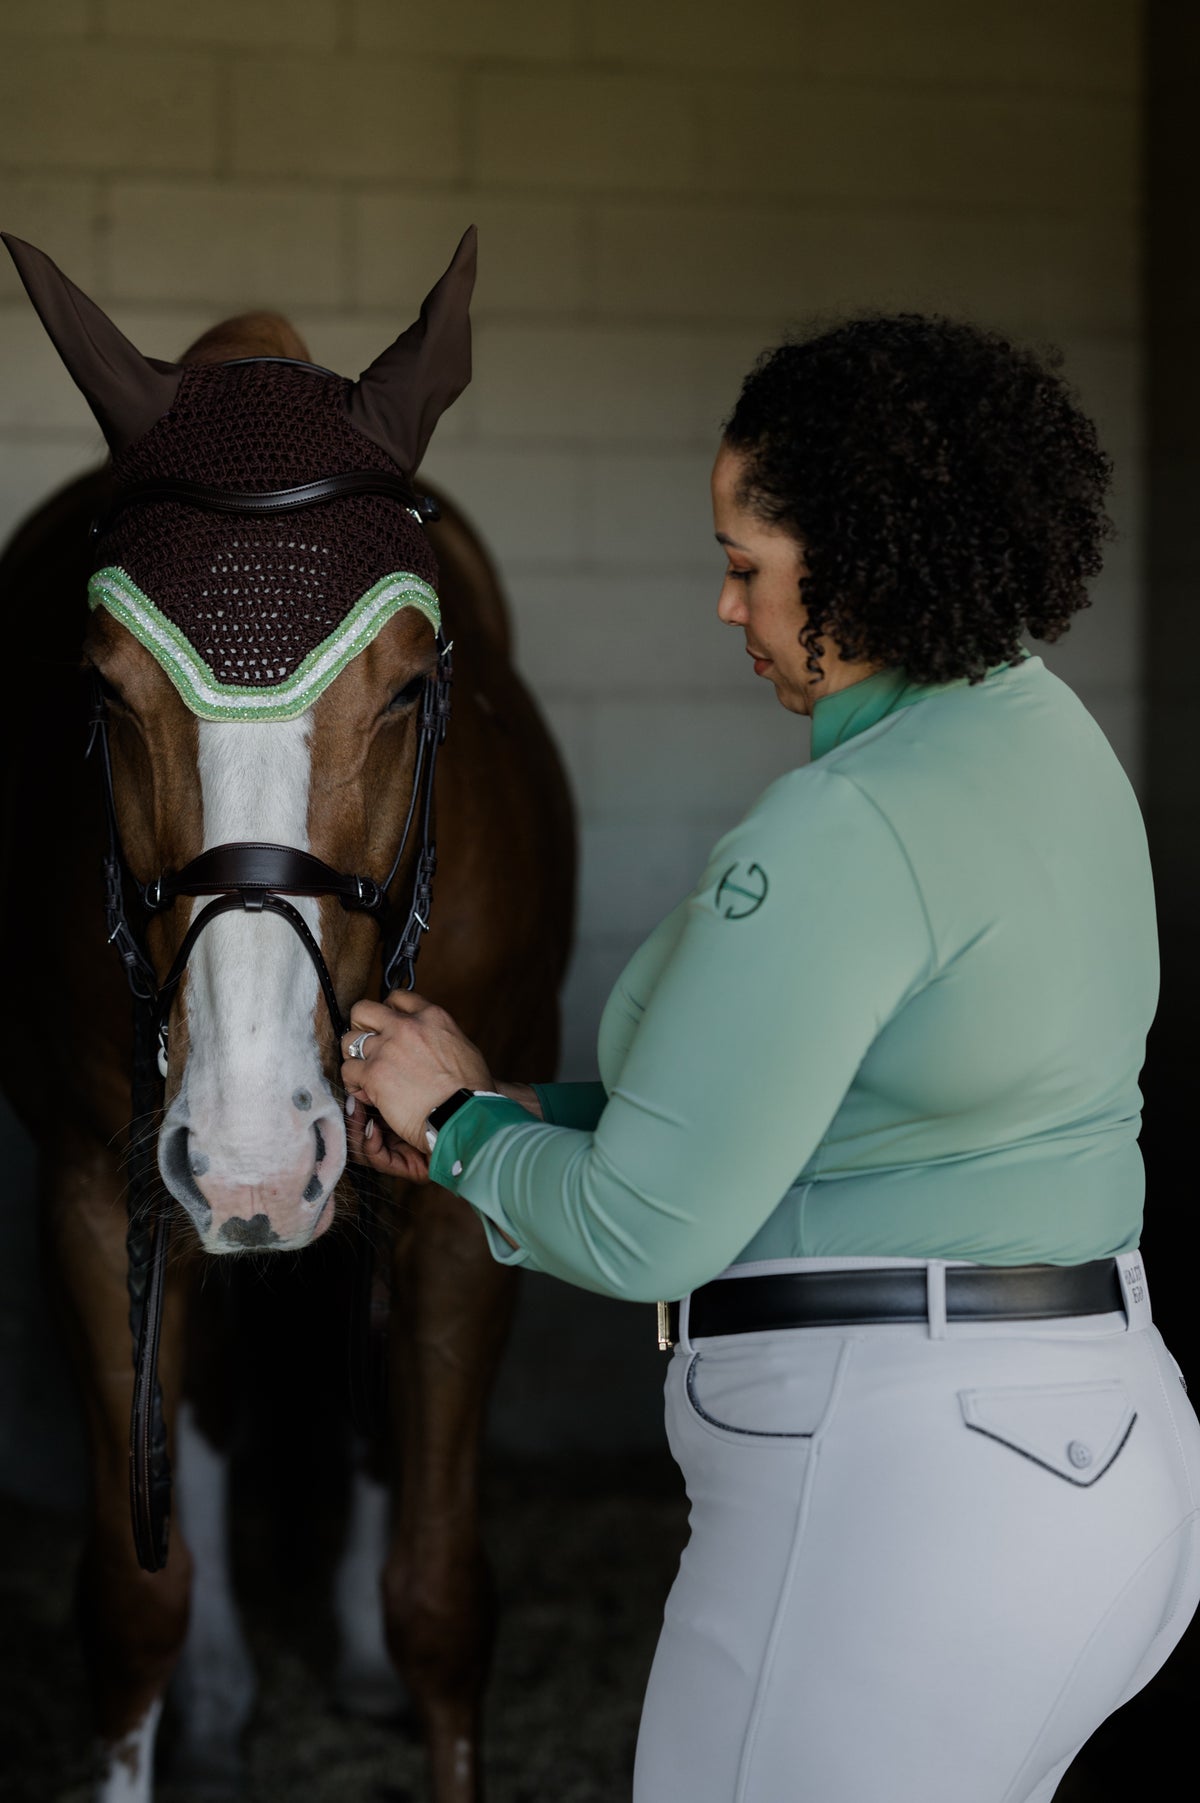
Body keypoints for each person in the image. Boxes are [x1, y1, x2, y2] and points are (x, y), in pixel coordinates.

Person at [339, 315, 1200, 1803]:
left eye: (747, 565)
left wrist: (465, 1129)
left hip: (899, 1489)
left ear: (862, 563)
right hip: (1087, 1447)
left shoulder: (845, 829)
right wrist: (520, 1110)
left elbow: (641, 1225)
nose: (722, 608)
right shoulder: (1041, 740)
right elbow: (824, 1114)